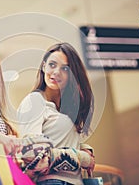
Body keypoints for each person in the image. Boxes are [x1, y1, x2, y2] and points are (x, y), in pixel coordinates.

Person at [17, 42, 95, 185]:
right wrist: (82, 157)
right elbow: (30, 154)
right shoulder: (35, 101)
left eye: (65, 68)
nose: (56, 72)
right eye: (52, 65)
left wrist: (83, 148)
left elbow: (56, 142)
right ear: (43, 66)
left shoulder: (64, 110)